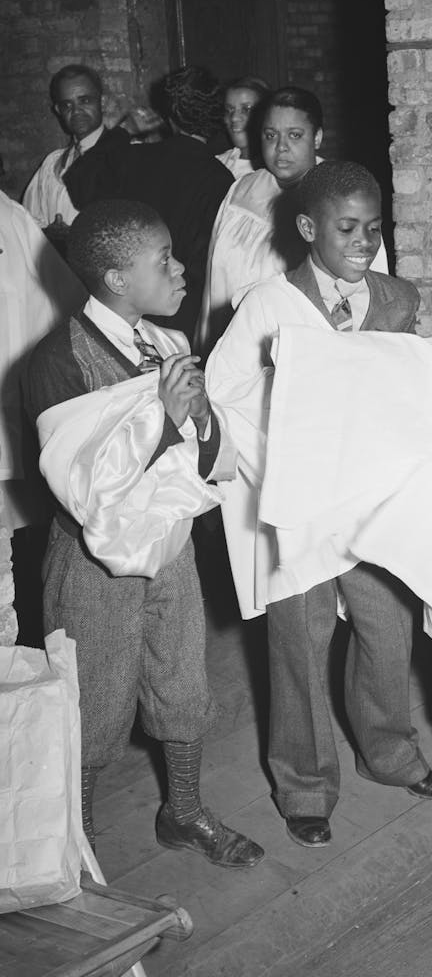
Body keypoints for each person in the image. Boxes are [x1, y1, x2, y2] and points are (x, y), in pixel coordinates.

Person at [206, 160, 432, 849]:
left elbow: (409, 387)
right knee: (299, 637)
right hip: (298, 502)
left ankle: (390, 751)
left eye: (373, 228)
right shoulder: (266, 305)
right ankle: (305, 784)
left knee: (386, 626)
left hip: (370, 498)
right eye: (346, 228)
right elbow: (224, 393)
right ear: (309, 228)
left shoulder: (396, 299)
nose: (363, 241)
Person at [24, 199, 264, 869]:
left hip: (171, 546)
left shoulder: (169, 344)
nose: (182, 268)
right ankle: (79, 846)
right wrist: (163, 416)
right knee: (91, 706)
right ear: (117, 280)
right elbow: (84, 488)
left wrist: (202, 417)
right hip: (91, 566)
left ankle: (183, 813)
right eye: (164, 261)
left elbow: (209, 450)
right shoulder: (58, 361)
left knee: (183, 681)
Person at [196, 85, 387, 354]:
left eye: (295, 135)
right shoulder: (241, 191)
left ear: (317, 137)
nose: (281, 147)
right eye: (271, 135)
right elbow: (214, 284)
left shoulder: (343, 194)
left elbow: (369, 287)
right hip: (237, 347)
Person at [64, 66, 234, 340]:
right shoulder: (223, 180)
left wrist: (123, 130)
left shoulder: (136, 159)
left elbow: (80, 181)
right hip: (189, 315)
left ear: (170, 116)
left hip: (130, 310)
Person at [0, 189, 86, 644]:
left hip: (13, 412)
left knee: (27, 541)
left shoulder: (11, 217)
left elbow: (62, 302)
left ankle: (34, 642)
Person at [22, 64, 113, 252]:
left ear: (102, 102)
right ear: (58, 110)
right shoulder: (52, 164)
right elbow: (28, 224)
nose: (76, 111)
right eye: (67, 105)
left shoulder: (128, 156)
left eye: (85, 100)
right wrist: (48, 233)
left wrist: (75, 236)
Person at [215, 76, 270, 179]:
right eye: (229, 110)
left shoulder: (275, 173)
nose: (234, 118)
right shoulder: (216, 163)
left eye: (246, 109)